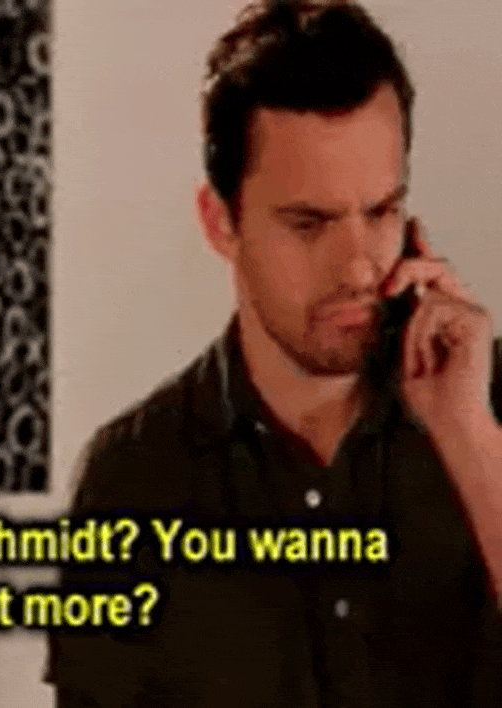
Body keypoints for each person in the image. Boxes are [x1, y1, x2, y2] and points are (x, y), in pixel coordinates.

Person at [46, 2, 502, 706]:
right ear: (221, 222)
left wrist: (470, 440)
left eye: (381, 211)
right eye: (309, 224)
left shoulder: (486, 408)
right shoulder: (131, 476)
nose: (359, 267)